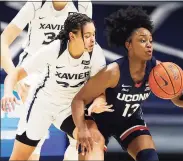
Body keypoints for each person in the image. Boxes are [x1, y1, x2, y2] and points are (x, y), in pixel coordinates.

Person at [71, 7, 183, 161]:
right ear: (129, 44)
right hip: (99, 121)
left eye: (150, 40)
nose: (149, 44)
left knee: (150, 157)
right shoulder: (113, 72)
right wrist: (82, 129)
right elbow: (78, 100)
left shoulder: (158, 69)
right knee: (91, 154)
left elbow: (176, 96)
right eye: (142, 40)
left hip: (129, 120)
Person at [1, 13, 107, 161]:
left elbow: (100, 86)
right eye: (87, 35)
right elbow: (15, 74)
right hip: (42, 105)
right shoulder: (54, 50)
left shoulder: (95, 53)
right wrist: (7, 93)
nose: (92, 40)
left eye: (94, 34)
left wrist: (99, 99)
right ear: (72, 36)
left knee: (92, 139)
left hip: (70, 108)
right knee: (20, 158)